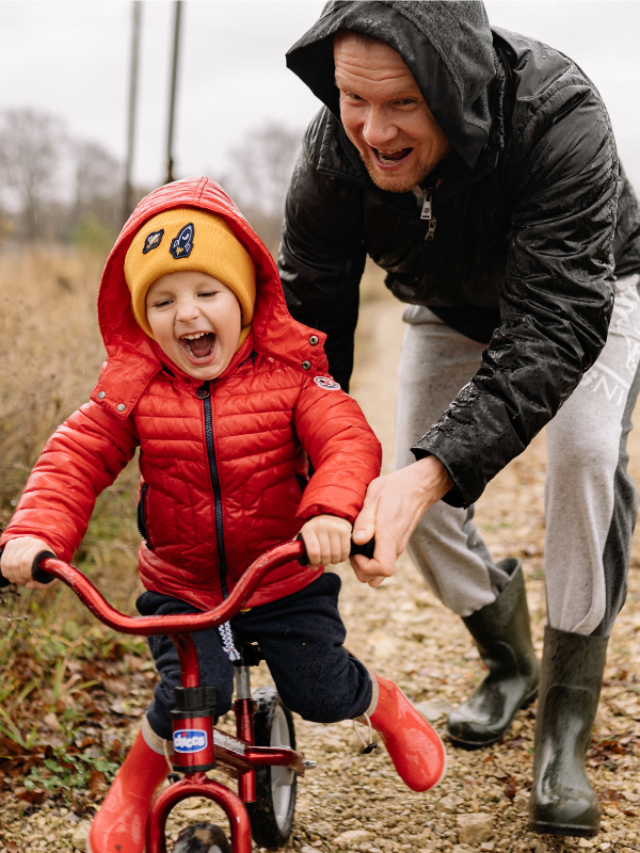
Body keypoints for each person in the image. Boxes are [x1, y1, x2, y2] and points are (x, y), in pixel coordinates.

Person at [279, 1, 640, 838]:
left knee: (584, 453)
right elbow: (308, 334)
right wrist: (310, 465)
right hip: (447, 306)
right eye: (353, 99)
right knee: (416, 494)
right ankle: (509, 661)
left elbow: (554, 326)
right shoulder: (331, 153)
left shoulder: (560, 116)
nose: (373, 130)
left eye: (402, 102)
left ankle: (564, 724)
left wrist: (432, 470)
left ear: (456, 86)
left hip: (588, 292)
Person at [0, 178, 446, 853]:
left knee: (321, 689)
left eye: (207, 292)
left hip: (281, 578)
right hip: (181, 584)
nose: (187, 315)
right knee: (191, 689)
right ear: (142, 316)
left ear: (243, 297)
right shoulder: (134, 388)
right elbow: (76, 456)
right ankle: (130, 791)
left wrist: (327, 511)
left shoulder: (293, 375)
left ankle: (382, 703)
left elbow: (347, 440)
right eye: (163, 299)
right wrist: (36, 530)